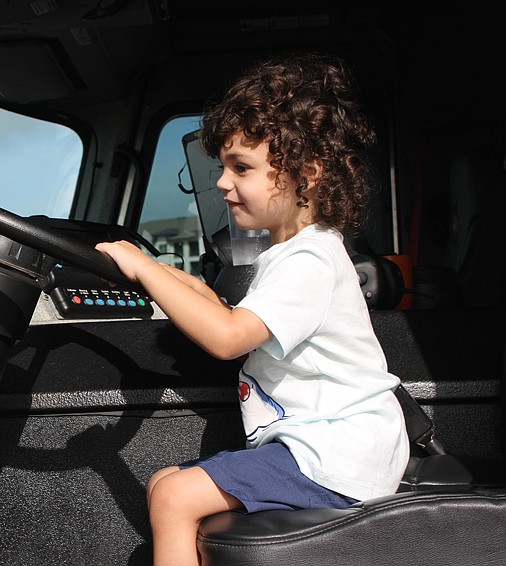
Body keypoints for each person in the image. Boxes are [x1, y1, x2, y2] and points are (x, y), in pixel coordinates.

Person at [95, 52, 410, 566]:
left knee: (175, 497)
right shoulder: (292, 252)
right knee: (164, 481)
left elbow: (226, 335)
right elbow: (218, 305)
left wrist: (146, 270)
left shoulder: (310, 260)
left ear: (305, 176)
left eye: (241, 167)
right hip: (320, 447)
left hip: (337, 455)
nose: (222, 182)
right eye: (223, 166)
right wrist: (148, 267)